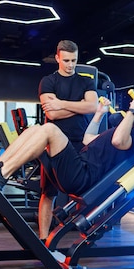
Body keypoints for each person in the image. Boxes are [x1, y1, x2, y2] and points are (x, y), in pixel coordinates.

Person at [0, 94, 134, 239]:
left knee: (50, 130)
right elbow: (88, 138)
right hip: (79, 168)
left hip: (83, 177)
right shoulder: (123, 129)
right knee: (36, 129)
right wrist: (99, 114)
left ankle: (2, 175)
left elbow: (119, 141)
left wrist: (133, 111)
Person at [37, 40, 98, 241]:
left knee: (86, 192)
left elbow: (92, 107)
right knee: (48, 192)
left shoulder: (86, 81)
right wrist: (79, 105)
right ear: (57, 58)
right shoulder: (48, 81)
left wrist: (61, 104)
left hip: (81, 142)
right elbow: (52, 115)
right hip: (53, 145)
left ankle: (86, 235)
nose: (70, 65)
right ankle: (44, 238)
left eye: (74, 60)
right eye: (66, 60)